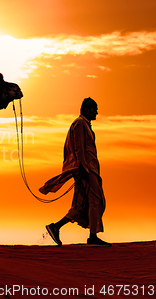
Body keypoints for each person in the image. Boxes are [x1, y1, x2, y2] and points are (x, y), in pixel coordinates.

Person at [39, 97, 111, 247]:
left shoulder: (85, 125)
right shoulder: (79, 124)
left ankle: (56, 227)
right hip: (86, 169)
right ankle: (92, 237)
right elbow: (78, 148)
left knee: (80, 205)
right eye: (94, 109)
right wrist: (83, 168)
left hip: (89, 169)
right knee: (95, 201)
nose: (96, 112)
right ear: (86, 110)